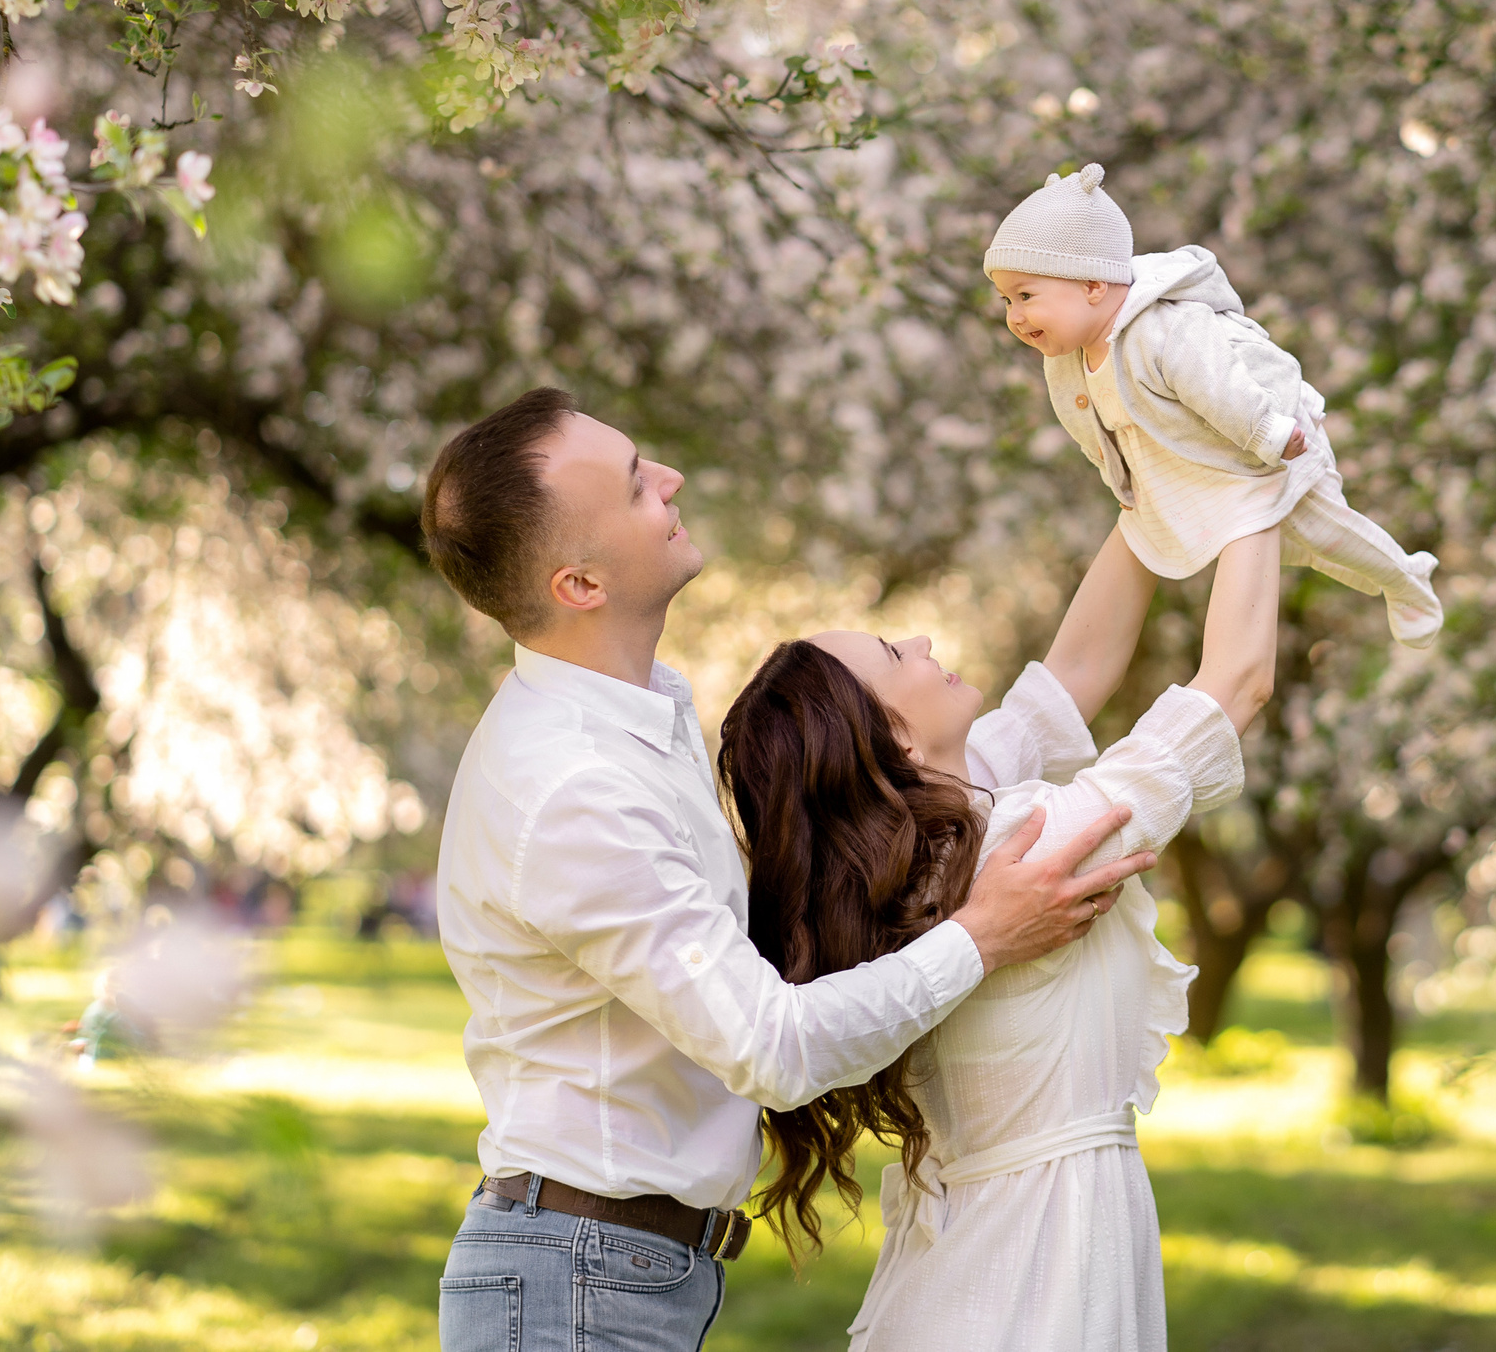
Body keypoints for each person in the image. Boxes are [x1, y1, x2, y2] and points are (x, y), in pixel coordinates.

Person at [422, 388, 1159, 1352]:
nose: (672, 480)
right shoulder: (573, 787)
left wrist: (1157, 487)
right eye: (639, 484)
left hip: (609, 1272)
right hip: (575, 1285)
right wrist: (981, 935)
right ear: (580, 584)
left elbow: (1037, 715)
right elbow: (771, 1046)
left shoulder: (639, 713)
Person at [716, 522, 1280, 1351]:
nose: (921, 639)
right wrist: (1251, 490)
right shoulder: (1025, 843)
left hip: (981, 1252)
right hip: (1039, 1258)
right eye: (892, 652)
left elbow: (1075, 671)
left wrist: (1150, 489)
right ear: (899, 739)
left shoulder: (927, 852)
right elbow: (1239, 683)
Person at [985, 162, 1443, 652]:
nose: (1015, 316)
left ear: (1093, 285)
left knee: (1321, 529)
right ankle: (1380, 573)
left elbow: (1219, 385)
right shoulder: (1068, 362)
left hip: (1263, 436)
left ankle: (1404, 577)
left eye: (1025, 295)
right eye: (1007, 300)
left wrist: (1267, 430)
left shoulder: (1162, 330)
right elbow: (1101, 431)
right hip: (1208, 461)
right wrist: (1124, 483)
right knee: (1297, 547)